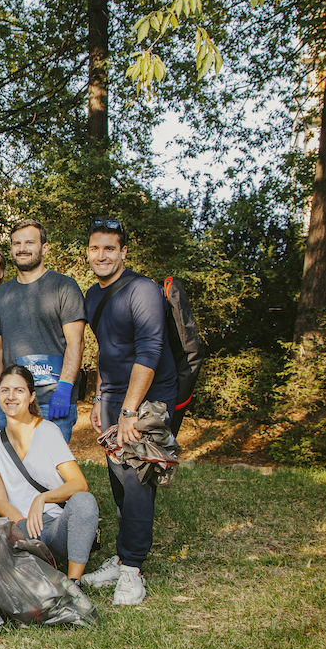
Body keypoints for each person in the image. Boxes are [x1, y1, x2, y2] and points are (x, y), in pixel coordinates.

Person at [80, 218, 178, 606]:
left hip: (148, 395)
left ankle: (133, 570)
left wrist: (129, 412)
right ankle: (122, 558)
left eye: (109, 248)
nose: (101, 255)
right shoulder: (92, 295)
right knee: (117, 477)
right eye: (94, 248)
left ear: (123, 252)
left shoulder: (143, 290)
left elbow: (149, 352)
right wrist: (100, 397)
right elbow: (107, 351)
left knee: (136, 477)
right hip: (115, 395)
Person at [0, 365, 99, 584]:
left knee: (85, 501)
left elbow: (79, 483)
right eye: (5, 390)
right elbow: (0, 501)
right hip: (22, 527)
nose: (11, 396)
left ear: (31, 396)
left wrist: (42, 498)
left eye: (19, 390)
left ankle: (73, 582)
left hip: (55, 526)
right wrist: (24, 527)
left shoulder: (48, 432)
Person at [0, 219, 86, 443]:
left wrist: (65, 388)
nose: (22, 248)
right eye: (16, 243)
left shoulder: (64, 287)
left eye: (29, 242)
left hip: (54, 401)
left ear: (44, 247)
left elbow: (76, 342)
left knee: (52, 472)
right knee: (12, 472)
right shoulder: (0, 295)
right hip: (12, 401)